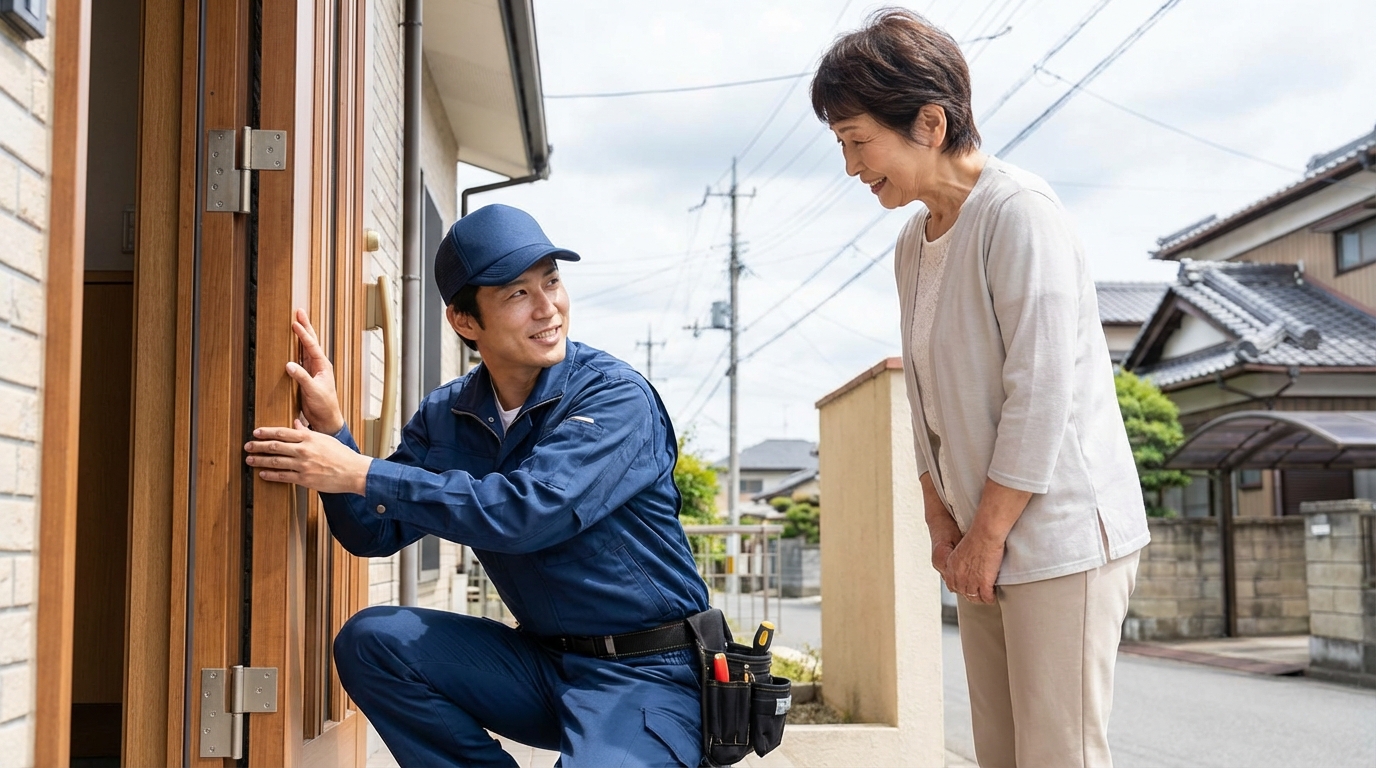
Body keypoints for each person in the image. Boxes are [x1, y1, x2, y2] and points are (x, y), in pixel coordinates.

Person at [243, 204, 709, 767]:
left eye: (552, 281)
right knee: (373, 641)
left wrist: (357, 469)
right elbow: (372, 530)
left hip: (648, 676)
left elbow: (530, 513)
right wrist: (334, 432)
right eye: (517, 294)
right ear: (465, 322)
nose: (548, 308)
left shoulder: (614, 398)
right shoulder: (450, 413)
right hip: (541, 667)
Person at [811, 9, 1150, 768]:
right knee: (999, 753)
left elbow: (1041, 394)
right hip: (980, 537)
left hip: (1059, 535)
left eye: (857, 141)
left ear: (929, 122)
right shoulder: (913, 241)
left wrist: (983, 539)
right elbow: (925, 398)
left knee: (1059, 754)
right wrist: (942, 524)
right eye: (841, 145)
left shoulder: (1018, 213)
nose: (851, 166)